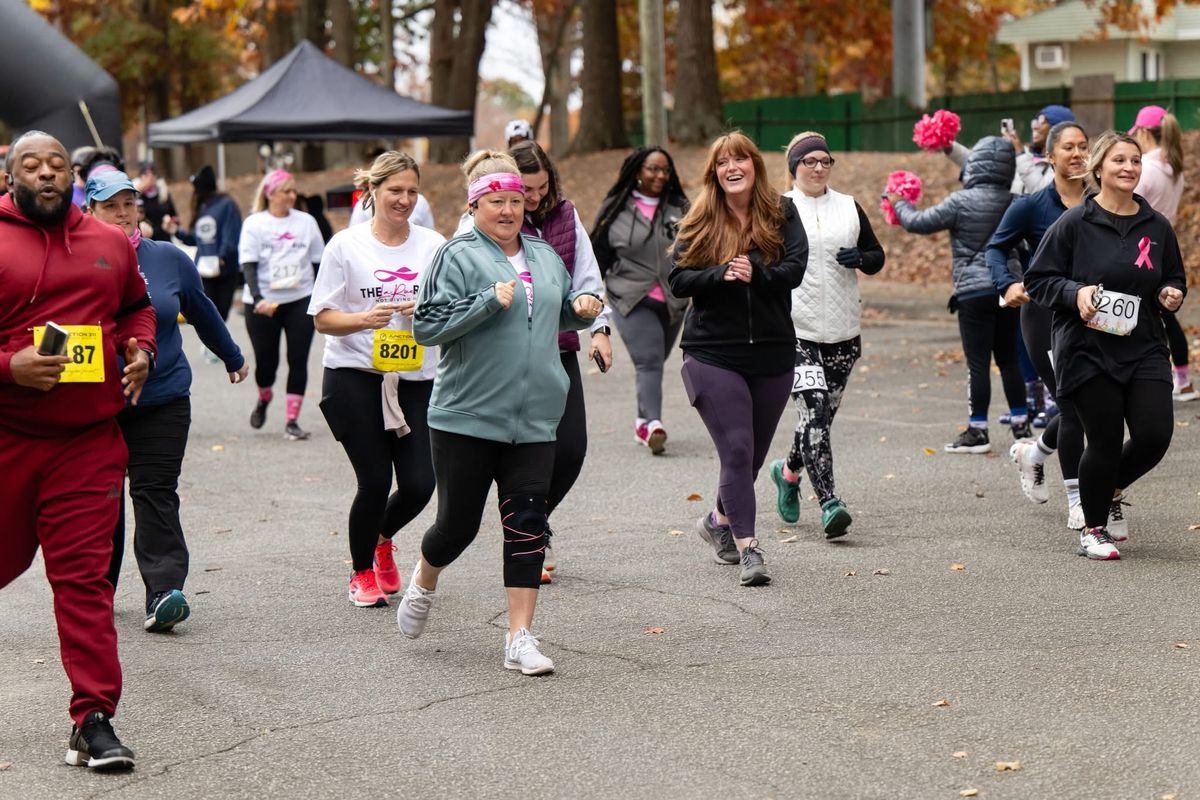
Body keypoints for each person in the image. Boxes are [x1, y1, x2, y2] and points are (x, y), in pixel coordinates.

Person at [403, 150, 602, 675]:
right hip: (467, 417)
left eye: (516, 200)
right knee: (457, 526)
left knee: (528, 523)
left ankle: (520, 637)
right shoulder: (456, 255)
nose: (509, 210)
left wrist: (582, 308)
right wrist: (487, 302)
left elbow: (557, 311)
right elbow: (426, 326)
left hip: (535, 417)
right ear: (475, 206)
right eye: (497, 201)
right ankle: (424, 578)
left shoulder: (542, 255)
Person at [0, 131, 157, 770]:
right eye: (31, 165)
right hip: (7, 438)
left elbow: (138, 310)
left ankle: (93, 719)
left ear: (74, 176)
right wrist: (10, 368)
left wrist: (140, 351)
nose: (45, 173)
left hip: (88, 445)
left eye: (57, 165)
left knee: (84, 583)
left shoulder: (109, 243)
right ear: (10, 176)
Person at [85, 170, 249, 631]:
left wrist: (232, 356)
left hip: (164, 396)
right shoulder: (74, 259)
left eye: (127, 204)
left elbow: (201, 309)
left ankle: (163, 593)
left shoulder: (168, 259)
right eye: (109, 205)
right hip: (96, 404)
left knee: (155, 492)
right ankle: (97, 590)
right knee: (102, 501)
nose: (121, 213)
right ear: (89, 211)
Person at [1026, 130, 1186, 560]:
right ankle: (1093, 529)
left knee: (1155, 434)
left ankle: (1110, 488)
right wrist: (1074, 293)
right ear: (1099, 169)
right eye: (1119, 160)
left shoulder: (1156, 226)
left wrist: (1171, 294)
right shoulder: (1074, 223)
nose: (1129, 168)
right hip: (1086, 348)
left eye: (1135, 160)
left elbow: (1172, 276)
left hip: (1145, 344)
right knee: (1105, 438)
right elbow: (1038, 280)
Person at [669, 131, 808, 587]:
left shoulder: (781, 212)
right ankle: (750, 549)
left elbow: (795, 270)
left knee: (749, 460)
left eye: (741, 159)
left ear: (754, 166)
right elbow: (678, 278)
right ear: (715, 171)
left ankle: (716, 522)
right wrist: (719, 274)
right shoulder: (701, 216)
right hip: (713, 352)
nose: (733, 167)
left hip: (772, 352)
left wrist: (759, 274)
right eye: (723, 161)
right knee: (737, 448)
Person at [309, 152, 445, 607]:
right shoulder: (345, 246)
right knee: (373, 478)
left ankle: (382, 536)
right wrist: (364, 319)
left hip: (414, 376)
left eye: (411, 191)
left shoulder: (433, 246)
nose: (404, 200)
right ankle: (361, 570)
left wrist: (423, 310)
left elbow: (450, 308)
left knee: (421, 483)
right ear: (373, 191)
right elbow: (323, 320)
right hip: (354, 375)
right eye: (395, 191)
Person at [502, 140, 613, 583]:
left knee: (570, 449)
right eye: (524, 189)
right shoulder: (488, 218)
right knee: (516, 454)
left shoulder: (565, 215)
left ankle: (531, 521)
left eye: (540, 187)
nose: (532, 198)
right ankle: (525, 529)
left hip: (557, 348)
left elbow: (587, 279)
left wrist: (600, 329)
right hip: (504, 357)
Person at [767, 132, 885, 538]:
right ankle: (831, 502)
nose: (818, 168)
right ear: (794, 168)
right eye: (809, 162)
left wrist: (862, 259)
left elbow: (876, 255)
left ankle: (787, 472)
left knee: (819, 420)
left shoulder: (849, 207)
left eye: (824, 161)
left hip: (842, 333)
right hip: (795, 330)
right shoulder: (778, 210)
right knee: (814, 412)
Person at [889, 137, 1029, 452]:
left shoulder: (960, 202)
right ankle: (1021, 423)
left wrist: (899, 202)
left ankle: (978, 429)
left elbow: (917, 223)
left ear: (975, 166)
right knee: (1009, 358)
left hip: (973, 290)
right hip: (1009, 287)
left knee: (978, 362)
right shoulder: (1015, 202)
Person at [986, 122, 1091, 529]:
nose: (1078, 153)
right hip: (1044, 315)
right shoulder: (1032, 205)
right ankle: (1078, 499)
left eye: (1084, 146)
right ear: (1050, 156)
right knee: (1070, 403)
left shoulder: (1101, 203)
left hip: (1090, 316)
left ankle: (1034, 455)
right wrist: (1008, 282)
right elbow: (996, 248)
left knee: (1090, 403)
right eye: (1069, 147)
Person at [591, 146, 690, 454]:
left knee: (654, 362)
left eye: (665, 169)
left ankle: (640, 421)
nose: (660, 175)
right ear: (637, 172)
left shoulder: (679, 207)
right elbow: (598, 256)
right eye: (652, 169)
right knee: (648, 360)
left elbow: (695, 251)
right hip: (630, 296)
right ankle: (654, 424)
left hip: (673, 301)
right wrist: (594, 300)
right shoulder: (615, 208)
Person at [239, 169, 325, 440]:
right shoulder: (255, 223)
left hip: (300, 299)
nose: (292, 195)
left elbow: (318, 263)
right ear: (270, 194)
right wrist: (258, 299)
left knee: (297, 359)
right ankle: (264, 398)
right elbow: (248, 265)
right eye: (286, 191)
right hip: (263, 302)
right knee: (267, 363)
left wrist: (320, 296)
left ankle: (292, 420)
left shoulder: (306, 222)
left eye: (293, 190)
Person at [1128, 106, 1194, 402]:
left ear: (1143, 132)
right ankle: (1183, 378)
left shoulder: (1146, 170)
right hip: (1163, 245)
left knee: (1145, 315)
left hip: (1138, 248)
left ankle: (1150, 379)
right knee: (1165, 313)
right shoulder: (1173, 169)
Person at [166, 166, 243, 322]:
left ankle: (217, 344)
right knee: (207, 310)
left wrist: (222, 256)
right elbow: (197, 239)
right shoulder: (202, 207)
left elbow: (231, 233)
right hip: (204, 269)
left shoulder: (227, 204)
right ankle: (208, 345)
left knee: (222, 311)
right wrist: (176, 231)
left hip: (225, 269)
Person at [133, 161, 178, 242]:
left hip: (164, 239)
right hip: (146, 241)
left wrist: (170, 221)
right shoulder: (136, 195)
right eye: (146, 174)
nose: (150, 178)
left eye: (152, 174)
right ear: (140, 177)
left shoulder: (163, 193)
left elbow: (175, 216)